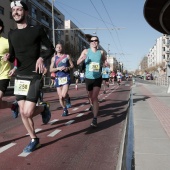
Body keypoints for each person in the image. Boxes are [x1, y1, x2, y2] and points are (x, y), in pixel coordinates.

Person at [7, 1, 55, 153]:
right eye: (14, 10)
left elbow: (50, 49)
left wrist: (41, 58)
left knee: (28, 112)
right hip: (20, 76)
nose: (16, 12)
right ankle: (34, 139)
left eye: (19, 9)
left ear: (26, 12)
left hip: (34, 75)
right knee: (22, 112)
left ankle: (43, 108)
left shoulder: (37, 30)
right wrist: (11, 61)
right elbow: (15, 56)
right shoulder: (11, 34)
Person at [77, 35, 106, 128]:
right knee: (90, 97)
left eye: (96, 40)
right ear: (89, 42)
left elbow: (105, 60)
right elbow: (77, 62)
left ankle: (94, 118)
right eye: (92, 40)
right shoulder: (86, 51)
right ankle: (93, 105)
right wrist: (82, 59)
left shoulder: (101, 52)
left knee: (94, 97)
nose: (94, 42)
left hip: (98, 77)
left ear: (98, 42)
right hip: (88, 77)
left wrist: (106, 63)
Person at [50, 43, 74, 116]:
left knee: (63, 95)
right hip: (58, 78)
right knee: (60, 97)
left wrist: (68, 68)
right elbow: (50, 69)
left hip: (66, 77)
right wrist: (57, 68)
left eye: (60, 47)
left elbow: (72, 65)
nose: (59, 48)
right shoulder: (54, 58)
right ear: (55, 49)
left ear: (62, 48)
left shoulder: (67, 56)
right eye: (57, 47)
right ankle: (64, 109)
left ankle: (67, 98)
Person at [0, 18, 17, 110]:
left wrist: (15, 68)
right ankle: (13, 106)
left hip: (3, 75)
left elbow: (17, 55)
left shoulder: (6, 42)